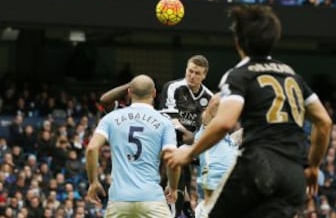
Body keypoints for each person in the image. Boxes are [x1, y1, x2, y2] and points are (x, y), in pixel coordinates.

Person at [165, 5, 332, 218]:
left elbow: (225, 122)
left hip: (258, 168)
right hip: (294, 175)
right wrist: (314, 166)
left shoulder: (239, 75)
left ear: (238, 42)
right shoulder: (293, 76)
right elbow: (324, 122)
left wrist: (189, 153)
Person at [86, 74, 181, 218]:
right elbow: (172, 159)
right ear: (154, 93)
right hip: (151, 199)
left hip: (119, 199)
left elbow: (92, 148)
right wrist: (173, 187)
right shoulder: (164, 122)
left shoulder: (111, 118)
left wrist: (93, 181)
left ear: (129, 92)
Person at [159, 54, 213, 218]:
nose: (192, 76)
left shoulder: (209, 98)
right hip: (167, 142)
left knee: (184, 185)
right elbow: (168, 119)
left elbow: (208, 127)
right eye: (190, 71)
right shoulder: (173, 87)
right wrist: (188, 133)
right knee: (167, 183)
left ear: (204, 75)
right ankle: (179, 209)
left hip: (190, 148)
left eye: (197, 73)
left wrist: (195, 138)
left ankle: (185, 207)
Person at [193, 94, 241, 218]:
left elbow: (239, 135)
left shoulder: (227, 140)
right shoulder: (206, 134)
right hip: (212, 193)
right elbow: (212, 108)